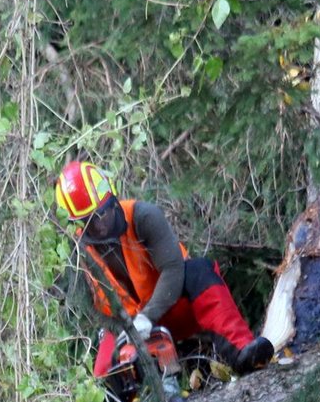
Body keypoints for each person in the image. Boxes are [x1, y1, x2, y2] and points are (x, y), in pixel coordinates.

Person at [55, 159, 276, 375]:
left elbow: (173, 268)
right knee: (105, 378)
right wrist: (126, 331)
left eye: (101, 213)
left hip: (172, 309)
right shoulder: (79, 252)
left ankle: (242, 352)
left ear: (112, 200)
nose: (99, 225)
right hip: (128, 328)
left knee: (199, 271)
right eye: (89, 221)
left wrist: (147, 318)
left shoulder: (142, 216)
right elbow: (95, 310)